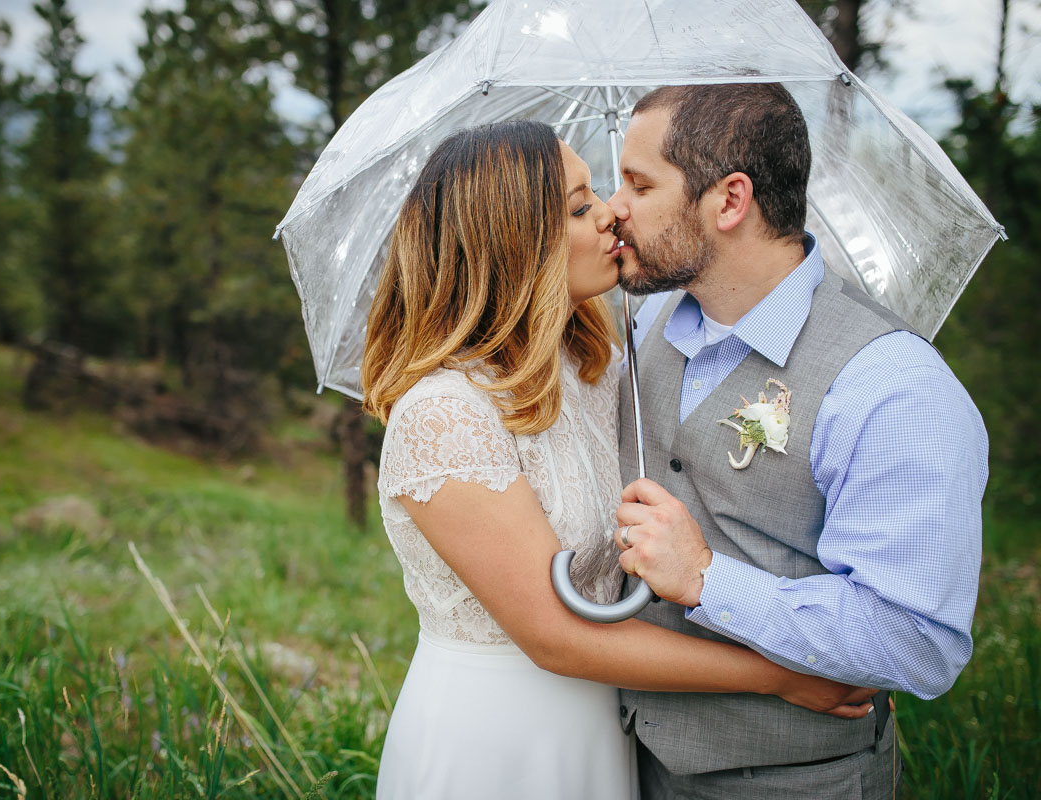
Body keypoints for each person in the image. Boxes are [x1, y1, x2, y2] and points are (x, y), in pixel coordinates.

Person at [361, 119, 878, 800]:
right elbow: (553, 636)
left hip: (603, 728)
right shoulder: (444, 412)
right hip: (497, 739)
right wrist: (779, 673)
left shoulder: (598, 370)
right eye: (579, 208)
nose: (610, 212)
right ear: (513, 240)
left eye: (598, 193)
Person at [607, 83, 988, 799]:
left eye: (639, 183)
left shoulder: (892, 385)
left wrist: (707, 579)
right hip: (633, 762)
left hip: (798, 782)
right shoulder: (650, 325)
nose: (613, 207)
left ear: (729, 200)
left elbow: (917, 642)